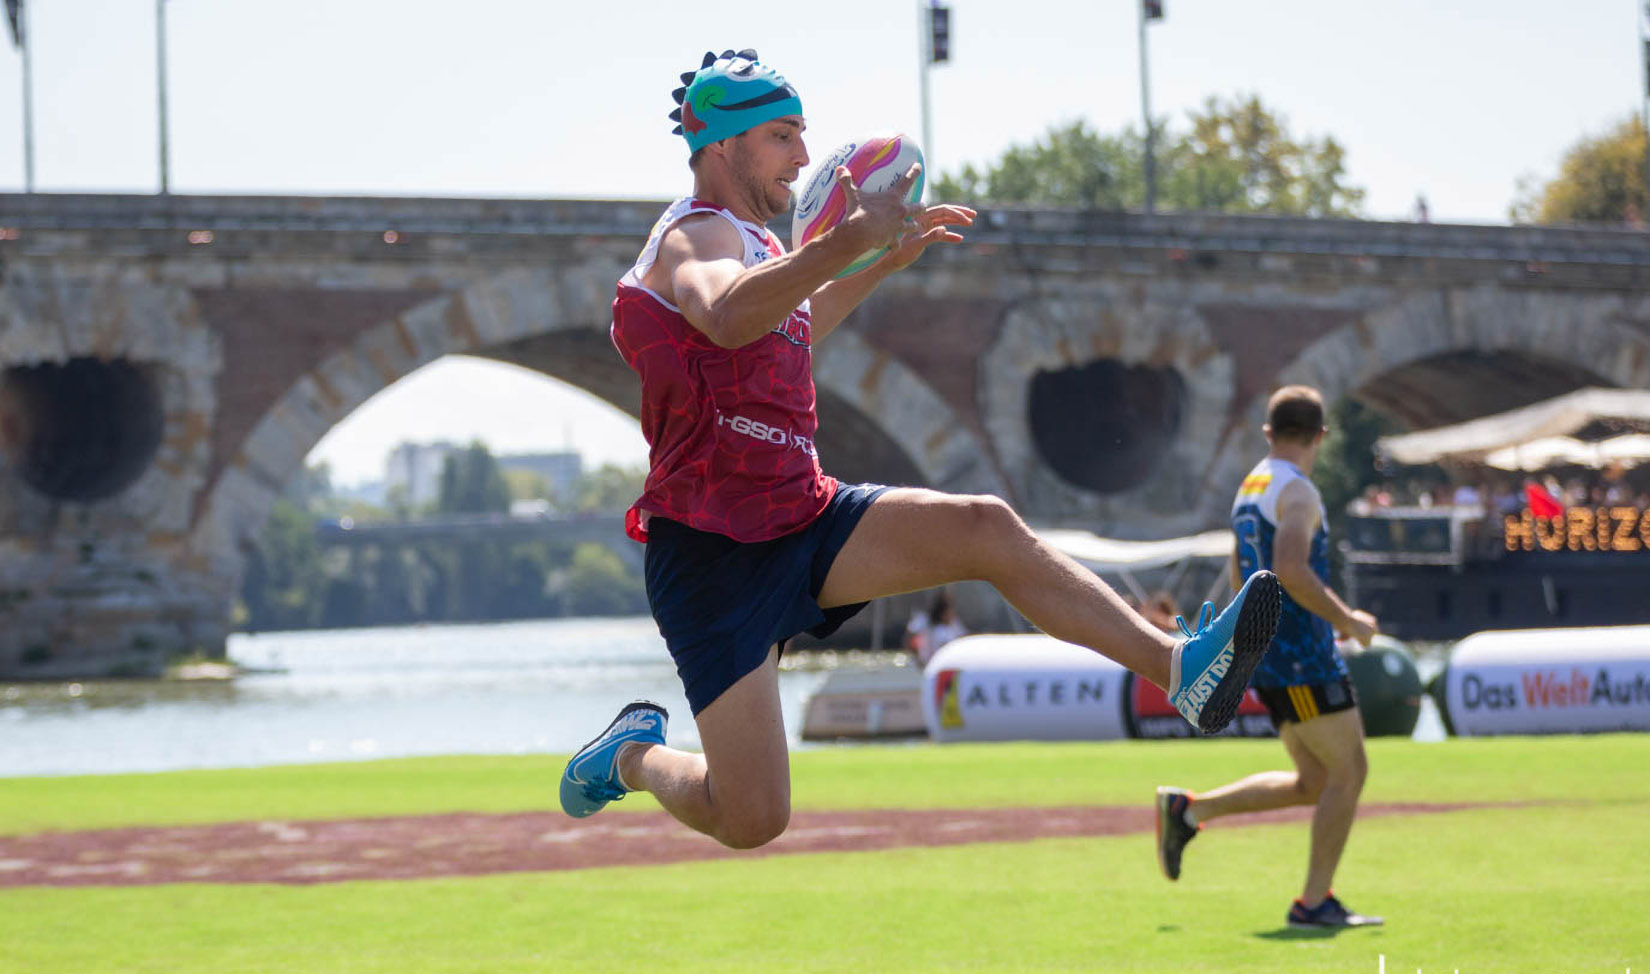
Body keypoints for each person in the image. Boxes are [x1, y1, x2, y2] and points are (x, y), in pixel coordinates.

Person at [558, 49, 1284, 850]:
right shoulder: (693, 236)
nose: (804, 157)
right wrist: (841, 247)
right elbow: (727, 317)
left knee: (986, 526)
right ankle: (631, 754)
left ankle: (1179, 671)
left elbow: (785, 332)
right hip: (710, 556)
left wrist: (879, 261)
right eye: (783, 135)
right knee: (753, 818)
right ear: (723, 144)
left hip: (802, 517)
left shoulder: (764, 250)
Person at [1154, 385, 1384, 928]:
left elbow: (1243, 576)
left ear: (1268, 433)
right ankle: (1313, 903)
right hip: (1304, 657)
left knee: (1313, 781)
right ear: (1321, 437)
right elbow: (1291, 572)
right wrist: (1345, 619)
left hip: (1269, 655)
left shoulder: (1251, 485)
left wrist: (1243, 645)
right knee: (1349, 772)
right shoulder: (1298, 492)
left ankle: (1192, 810)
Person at [906, 591, 967, 666]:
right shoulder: (940, 630)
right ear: (943, 614)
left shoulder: (953, 624)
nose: (952, 615)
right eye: (949, 613)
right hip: (935, 663)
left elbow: (962, 635)